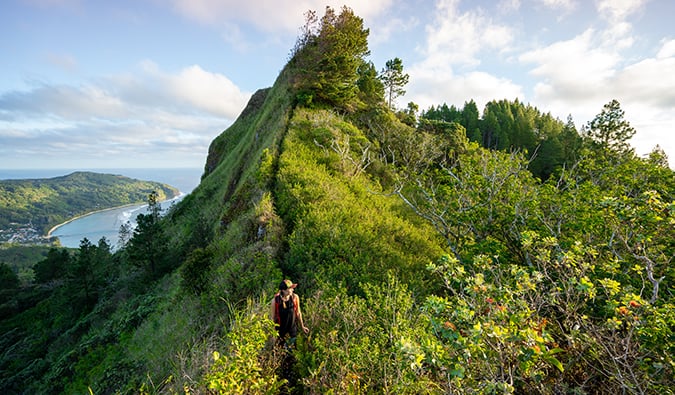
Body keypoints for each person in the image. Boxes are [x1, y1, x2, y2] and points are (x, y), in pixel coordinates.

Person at [270, 279, 309, 347]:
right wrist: (273, 334)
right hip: (280, 332)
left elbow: (298, 313)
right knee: (281, 353)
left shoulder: (295, 298)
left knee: (292, 353)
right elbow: (272, 318)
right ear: (284, 290)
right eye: (290, 288)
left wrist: (302, 327)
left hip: (292, 331)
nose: (293, 290)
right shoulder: (275, 301)